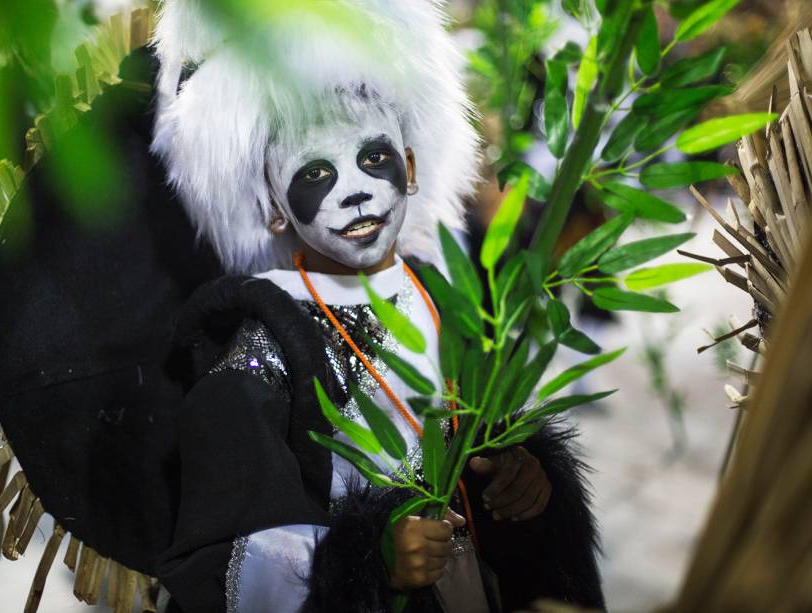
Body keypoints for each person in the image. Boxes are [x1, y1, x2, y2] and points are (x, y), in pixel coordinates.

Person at [149, 2, 603, 611]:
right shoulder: (266, 346)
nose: (356, 188)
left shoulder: (444, 297)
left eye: (372, 158)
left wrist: (525, 478)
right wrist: (362, 559)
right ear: (273, 205)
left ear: (409, 166)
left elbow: (477, 437)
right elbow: (225, 551)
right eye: (315, 173)